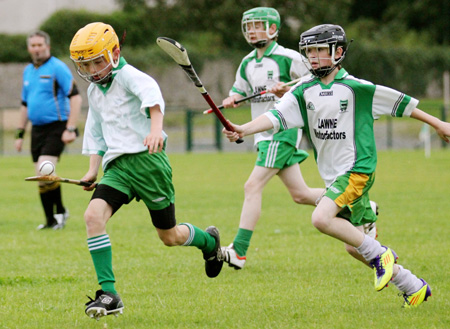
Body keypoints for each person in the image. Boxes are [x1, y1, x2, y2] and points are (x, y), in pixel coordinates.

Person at [222, 24, 450, 307]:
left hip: (358, 170)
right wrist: (243, 129)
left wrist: (439, 124)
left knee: (321, 218)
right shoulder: (303, 91)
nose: (313, 57)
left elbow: (404, 105)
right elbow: (276, 118)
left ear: (338, 52)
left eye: (320, 50)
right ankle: (412, 285)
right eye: (309, 51)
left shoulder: (358, 88)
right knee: (354, 247)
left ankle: (382, 255)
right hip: (333, 178)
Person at [69, 22, 224, 320]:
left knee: (169, 236)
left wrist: (156, 131)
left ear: (115, 53)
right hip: (118, 167)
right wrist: (92, 169)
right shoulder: (95, 91)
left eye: (98, 61)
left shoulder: (129, 76)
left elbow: (153, 100)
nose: (92, 70)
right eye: (85, 65)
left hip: (149, 163)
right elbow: (96, 130)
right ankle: (109, 293)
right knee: (92, 217)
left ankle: (209, 241)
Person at [220, 7, 376, 270]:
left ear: (273, 28)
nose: (253, 31)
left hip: (280, 133)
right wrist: (232, 98)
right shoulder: (247, 62)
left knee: (252, 186)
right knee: (300, 194)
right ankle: (361, 204)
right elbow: (239, 89)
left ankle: (239, 251)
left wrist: (287, 86)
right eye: (250, 26)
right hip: (263, 134)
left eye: (259, 25)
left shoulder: (288, 57)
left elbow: (316, 75)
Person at [15, 30, 82, 230]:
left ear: (47, 47)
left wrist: (70, 128)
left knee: (45, 168)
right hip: (37, 129)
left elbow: (76, 97)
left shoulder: (58, 68)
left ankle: (60, 213)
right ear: (29, 48)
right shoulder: (28, 71)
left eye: (39, 45)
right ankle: (50, 220)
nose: (36, 49)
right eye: (33, 45)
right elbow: (25, 104)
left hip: (57, 126)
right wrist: (20, 134)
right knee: (40, 175)